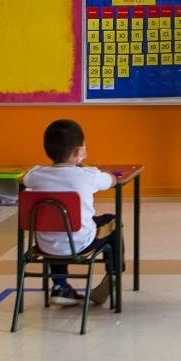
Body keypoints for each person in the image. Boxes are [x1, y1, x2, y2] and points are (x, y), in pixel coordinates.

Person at [23, 119, 117, 307]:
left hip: (45, 245)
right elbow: (112, 180)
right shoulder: (88, 175)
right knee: (113, 221)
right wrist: (86, 167)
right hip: (81, 242)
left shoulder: (35, 175)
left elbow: (25, 179)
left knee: (55, 227)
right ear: (77, 152)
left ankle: (60, 285)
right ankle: (113, 275)